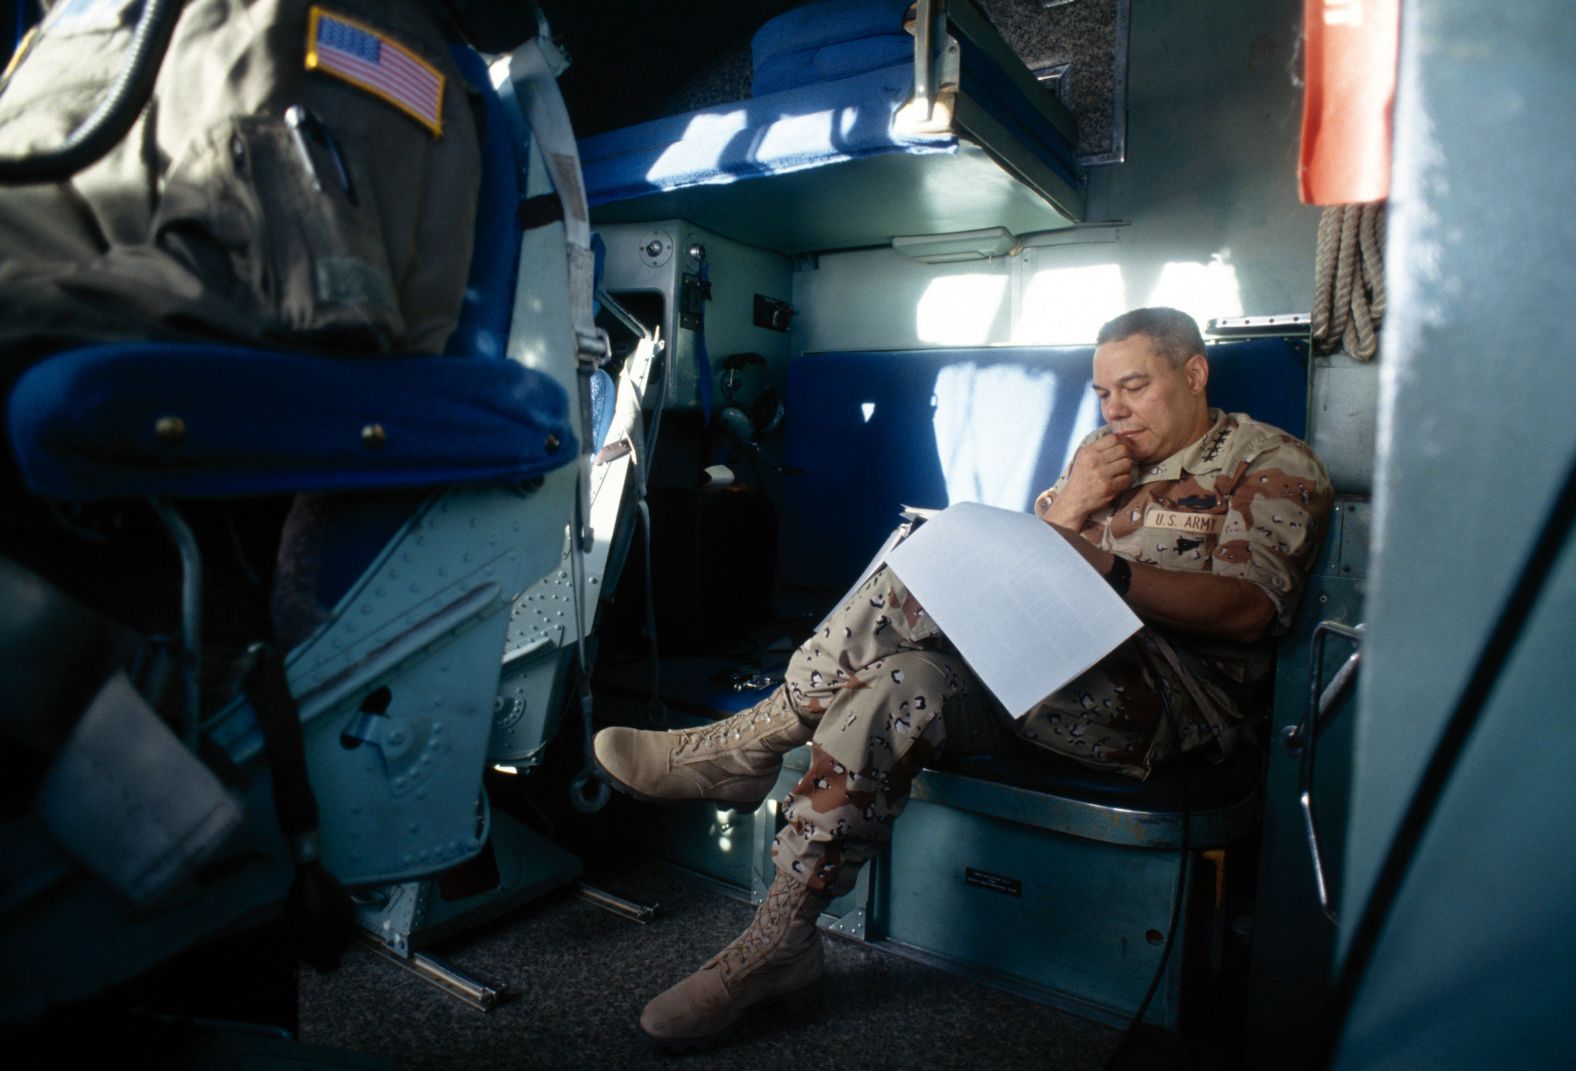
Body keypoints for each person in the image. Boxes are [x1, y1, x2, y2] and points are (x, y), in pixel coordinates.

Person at [592, 306, 1333, 1049]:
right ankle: (781, 942)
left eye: (1134, 387)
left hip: (1167, 699)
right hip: (1042, 669)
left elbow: (1249, 609)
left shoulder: (1267, 461)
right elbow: (1030, 551)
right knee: (894, 682)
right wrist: (1071, 504)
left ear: (1194, 373)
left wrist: (1105, 566)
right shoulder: (1100, 456)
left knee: (923, 583)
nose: (1115, 409)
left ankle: (746, 745)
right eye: (1104, 392)